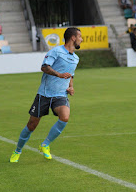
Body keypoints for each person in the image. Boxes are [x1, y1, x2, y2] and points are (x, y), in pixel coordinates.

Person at [9, 27, 82, 163]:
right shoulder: (56, 51)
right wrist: (59, 74)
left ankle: (45, 144)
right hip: (44, 94)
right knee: (32, 125)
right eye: (80, 37)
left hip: (60, 95)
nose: (81, 39)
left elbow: (70, 75)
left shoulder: (75, 58)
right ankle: (17, 151)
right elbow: (44, 67)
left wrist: (71, 86)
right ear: (73, 38)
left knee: (64, 117)